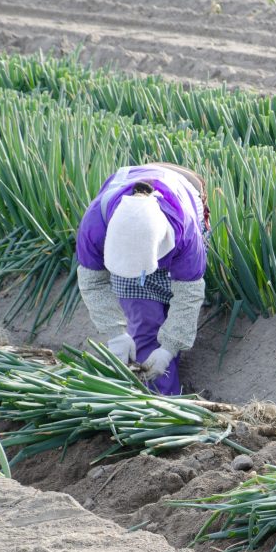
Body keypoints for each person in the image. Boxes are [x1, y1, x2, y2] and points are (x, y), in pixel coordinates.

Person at [75, 163, 209, 395]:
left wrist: (169, 348)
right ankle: (160, 403)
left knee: (169, 322)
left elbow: (188, 295)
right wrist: (116, 333)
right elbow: (92, 283)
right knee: (146, 329)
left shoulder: (186, 235)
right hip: (133, 206)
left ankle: (167, 377)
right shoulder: (94, 225)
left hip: (179, 198)